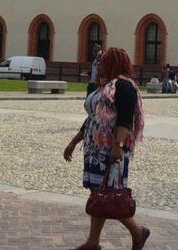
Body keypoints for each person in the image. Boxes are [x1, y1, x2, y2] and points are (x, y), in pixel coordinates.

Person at [64, 47, 149, 250]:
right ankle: (93, 242)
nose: (99, 65)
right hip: (95, 151)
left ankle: (138, 232)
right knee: (99, 194)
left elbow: (125, 121)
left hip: (111, 151)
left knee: (111, 196)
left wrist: (117, 146)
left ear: (114, 63)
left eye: (103, 62)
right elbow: (93, 118)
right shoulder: (106, 87)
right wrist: (74, 141)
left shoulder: (124, 87)